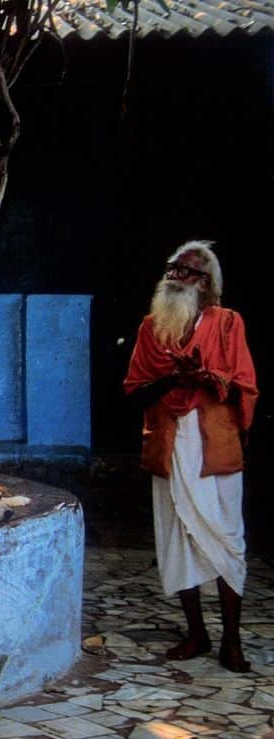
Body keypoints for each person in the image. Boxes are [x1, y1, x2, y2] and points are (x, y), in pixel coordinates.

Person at [124, 241, 258, 673]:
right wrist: (171, 378)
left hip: (214, 446)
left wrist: (207, 377)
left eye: (185, 271)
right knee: (178, 538)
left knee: (227, 540)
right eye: (172, 269)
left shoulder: (227, 324)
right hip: (167, 445)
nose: (174, 277)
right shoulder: (150, 328)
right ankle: (196, 634)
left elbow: (245, 387)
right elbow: (135, 390)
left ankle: (231, 641)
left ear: (206, 284)